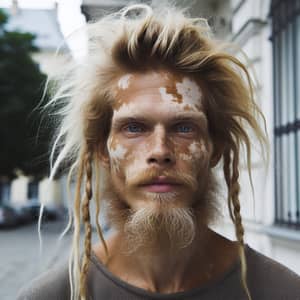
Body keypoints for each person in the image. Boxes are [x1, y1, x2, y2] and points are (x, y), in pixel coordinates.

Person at [17, 3, 300, 300]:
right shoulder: (52, 295)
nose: (160, 151)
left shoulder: (281, 292)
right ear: (102, 149)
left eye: (184, 127)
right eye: (134, 128)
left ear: (215, 148)